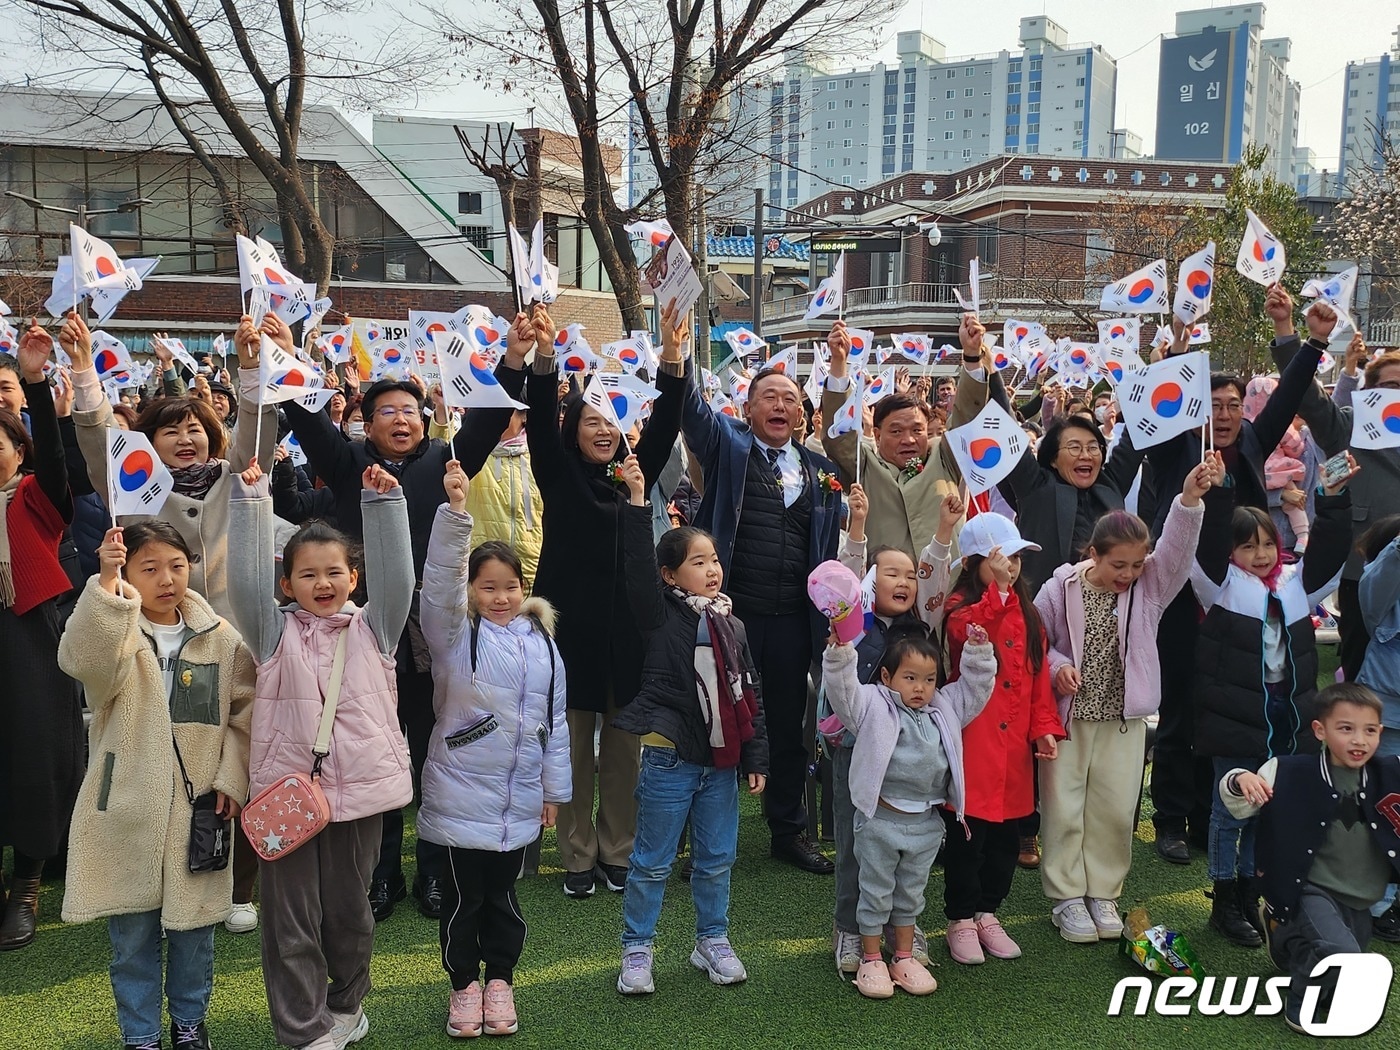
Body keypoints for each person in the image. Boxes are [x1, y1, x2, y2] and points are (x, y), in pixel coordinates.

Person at [283, 312, 530, 921]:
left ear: (425, 419)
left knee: (431, 750)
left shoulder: (448, 462)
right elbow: (310, 424)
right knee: (375, 752)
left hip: (432, 636)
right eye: (386, 411)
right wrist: (289, 354)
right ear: (366, 423)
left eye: (410, 411)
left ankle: (435, 873)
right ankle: (382, 873)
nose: (401, 419)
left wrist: (517, 357)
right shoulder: (345, 464)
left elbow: (490, 416)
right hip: (361, 637)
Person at [226, 460, 414, 1050]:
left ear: (354, 577)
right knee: (290, 925)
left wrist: (385, 506)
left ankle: (346, 1006)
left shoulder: (375, 630)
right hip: (287, 801)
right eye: (308, 575)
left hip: (358, 800)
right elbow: (242, 584)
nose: (323, 583)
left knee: (351, 918)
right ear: (287, 584)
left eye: (336, 572)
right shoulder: (271, 634)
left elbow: (400, 582)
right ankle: (302, 1030)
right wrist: (251, 505)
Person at [58, 521, 253, 1050]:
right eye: (149, 568)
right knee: (131, 938)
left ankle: (189, 1025)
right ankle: (139, 1035)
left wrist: (231, 780)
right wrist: (105, 586)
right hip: (124, 807)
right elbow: (82, 663)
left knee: (195, 935)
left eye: (176, 564)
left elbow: (244, 716)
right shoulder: (115, 628)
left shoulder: (221, 637)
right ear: (128, 573)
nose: (167, 579)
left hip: (199, 809)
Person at [1146, 303, 1324, 865]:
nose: (1222, 416)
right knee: (1180, 706)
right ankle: (1172, 818)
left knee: (1226, 714)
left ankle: (1210, 813)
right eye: (1212, 406)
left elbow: (1290, 398)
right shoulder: (1180, 442)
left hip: (1243, 604)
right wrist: (1175, 348)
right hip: (1183, 592)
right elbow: (1166, 398)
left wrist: (1307, 340)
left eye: (1230, 406)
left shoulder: (1250, 441)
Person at [526, 305, 687, 899]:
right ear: (574, 428)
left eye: (611, 421)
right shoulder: (558, 471)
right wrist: (544, 358)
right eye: (589, 418)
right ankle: (576, 853)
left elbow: (667, 421)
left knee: (623, 749)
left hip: (628, 633)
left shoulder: (635, 478)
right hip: (568, 630)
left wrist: (674, 362)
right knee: (571, 748)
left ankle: (617, 850)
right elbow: (540, 419)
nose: (601, 429)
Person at [681, 315, 844, 875]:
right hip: (734, 613)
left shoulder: (822, 471)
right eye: (768, 397)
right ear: (747, 410)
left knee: (789, 725)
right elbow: (694, 416)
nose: (779, 406)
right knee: (720, 721)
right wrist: (678, 354)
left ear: (803, 413)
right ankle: (703, 838)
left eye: (790, 399)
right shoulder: (729, 448)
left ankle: (788, 831)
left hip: (794, 619)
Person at [1033, 457, 1215, 943]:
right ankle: (1068, 899)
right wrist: (1057, 668)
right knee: (1063, 806)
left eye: (1137, 564)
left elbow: (1177, 552)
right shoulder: (1058, 588)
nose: (1129, 574)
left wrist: (1189, 500)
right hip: (1069, 720)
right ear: (1093, 553)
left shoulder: (1151, 586)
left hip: (1124, 720)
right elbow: (1038, 643)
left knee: (1114, 808)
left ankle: (1103, 893)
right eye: (1119, 564)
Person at [417, 461, 569, 1038]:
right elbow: (437, 585)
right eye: (488, 586)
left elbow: (553, 723)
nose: (501, 596)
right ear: (471, 591)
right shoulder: (455, 634)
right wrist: (456, 514)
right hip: (459, 797)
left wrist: (553, 791)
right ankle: (463, 987)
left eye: (511, 586)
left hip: (518, 800)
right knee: (462, 901)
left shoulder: (544, 645)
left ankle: (500, 980)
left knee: (503, 899)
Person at [612, 454, 768, 995]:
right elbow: (634, 566)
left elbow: (751, 694)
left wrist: (757, 757)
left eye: (713, 560)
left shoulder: (732, 623)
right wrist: (637, 501)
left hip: (721, 764)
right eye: (697, 562)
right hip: (669, 758)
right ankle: (637, 950)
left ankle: (712, 940)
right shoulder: (658, 615)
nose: (711, 569)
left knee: (716, 859)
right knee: (652, 862)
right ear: (669, 574)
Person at [1190, 460, 1356, 947]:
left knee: (1267, 809)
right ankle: (1223, 898)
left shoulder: (1295, 582)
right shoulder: (1217, 584)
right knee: (1229, 810)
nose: (1261, 554)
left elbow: (1328, 550)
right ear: (1230, 551)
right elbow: (1208, 541)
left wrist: (1333, 499)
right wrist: (1218, 493)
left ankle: (1248, 893)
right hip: (1234, 718)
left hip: (1288, 718)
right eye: (1247, 545)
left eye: (1267, 542)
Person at [827, 483, 962, 974]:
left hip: (909, 763)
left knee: (909, 854)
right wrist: (857, 528)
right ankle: (848, 929)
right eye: (891, 573)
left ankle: (903, 931)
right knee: (854, 848)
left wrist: (945, 531)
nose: (904, 581)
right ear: (869, 582)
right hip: (854, 751)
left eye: (910, 575)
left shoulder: (922, 623)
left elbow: (935, 575)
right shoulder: (854, 620)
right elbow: (842, 576)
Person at [822, 626, 997, 998]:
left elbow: (973, 693)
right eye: (911, 678)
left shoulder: (942, 710)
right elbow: (843, 693)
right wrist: (839, 654)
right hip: (880, 822)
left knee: (910, 895)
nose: (920, 687)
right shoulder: (873, 705)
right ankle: (871, 959)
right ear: (888, 677)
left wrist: (979, 655)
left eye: (929, 679)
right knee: (875, 892)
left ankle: (902, 956)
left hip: (925, 825)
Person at [1218, 683, 1400, 1034]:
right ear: (1320, 730)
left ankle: (1283, 935)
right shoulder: (1287, 770)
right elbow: (1237, 804)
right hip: (1308, 884)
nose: (1359, 740)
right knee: (1339, 952)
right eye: (1346, 729)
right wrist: (1241, 779)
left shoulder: (1391, 773)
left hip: (1362, 894)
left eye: (1370, 730)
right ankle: (1300, 1006)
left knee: (1345, 960)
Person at [940, 512, 1065, 965]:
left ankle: (988, 912)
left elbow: (1037, 681)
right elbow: (963, 631)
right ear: (975, 563)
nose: (1010, 567)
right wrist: (997, 593)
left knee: (1006, 844)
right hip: (976, 745)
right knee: (968, 840)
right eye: (1000, 558)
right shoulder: (964, 606)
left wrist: (1045, 728)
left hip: (1015, 755)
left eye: (1014, 558)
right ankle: (959, 918)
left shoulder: (1028, 615)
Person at [955, 313, 1146, 595]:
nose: (1086, 455)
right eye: (1075, 448)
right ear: (1053, 457)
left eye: (1093, 448)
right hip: (1046, 615)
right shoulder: (1036, 486)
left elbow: (1135, 437)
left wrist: (1162, 361)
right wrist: (983, 364)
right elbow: (1007, 425)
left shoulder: (1111, 484)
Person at [0, 323, 83, 952]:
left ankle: (26, 883)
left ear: (16, 452)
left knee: (35, 750)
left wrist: (32, 382)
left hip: (29, 632)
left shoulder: (34, 498)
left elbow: (58, 463)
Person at [1271, 297, 1400, 682]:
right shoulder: (1349, 425)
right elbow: (1307, 398)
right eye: (1391, 386)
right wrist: (1291, 331)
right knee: (1360, 661)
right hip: (1367, 566)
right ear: (1369, 392)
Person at [820, 320, 976, 561]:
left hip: (948, 589)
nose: (909, 440)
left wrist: (973, 357)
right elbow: (839, 437)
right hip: (883, 589)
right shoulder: (865, 464)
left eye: (917, 430)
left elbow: (966, 419)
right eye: (896, 431)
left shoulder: (944, 457)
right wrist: (839, 364)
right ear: (878, 434)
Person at [429, 407, 543, 588]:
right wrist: (442, 413)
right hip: (481, 571)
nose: (497, 417)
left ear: (523, 416)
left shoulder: (539, 459)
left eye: (506, 411)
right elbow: (444, 455)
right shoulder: (474, 457)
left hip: (530, 570)